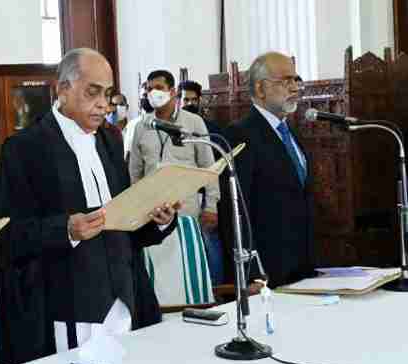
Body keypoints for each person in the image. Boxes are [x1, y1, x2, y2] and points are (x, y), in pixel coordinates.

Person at [0, 48, 179, 364]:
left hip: (124, 298)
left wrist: (158, 221)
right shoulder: (25, 149)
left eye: (108, 94)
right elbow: (8, 236)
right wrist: (66, 229)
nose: (103, 104)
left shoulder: (110, 140)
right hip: (66, 307)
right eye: (92, 92)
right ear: (62, 89)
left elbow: (123, 224)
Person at [221, 52, 313, 287]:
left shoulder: (288, 132)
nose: (294, 88)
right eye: (286, 81)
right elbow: (235, 211)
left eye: (296, 80)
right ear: (261, 88)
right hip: (267, 272)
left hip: (302, 265)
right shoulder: (240, 134)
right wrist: (250, 272)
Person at [129, 70, 219, 257]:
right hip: (151, 213)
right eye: (150, 89)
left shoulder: (193, 123)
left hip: (186, 211)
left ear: (172, 91)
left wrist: (211, 207)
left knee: (188, 265)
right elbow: (135, 172)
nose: (153, 93)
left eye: (159, 88)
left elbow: (208, 167)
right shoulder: (141, 126)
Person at [178, 79, 226, 284]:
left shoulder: (212, 128)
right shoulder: (173, 127)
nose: (189, 103)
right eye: (185, 99)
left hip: (206, 199)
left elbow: (215, 166)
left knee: (210, 245)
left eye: (193, 99)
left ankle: (217, 291)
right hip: (182, 200)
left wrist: (211, 204)